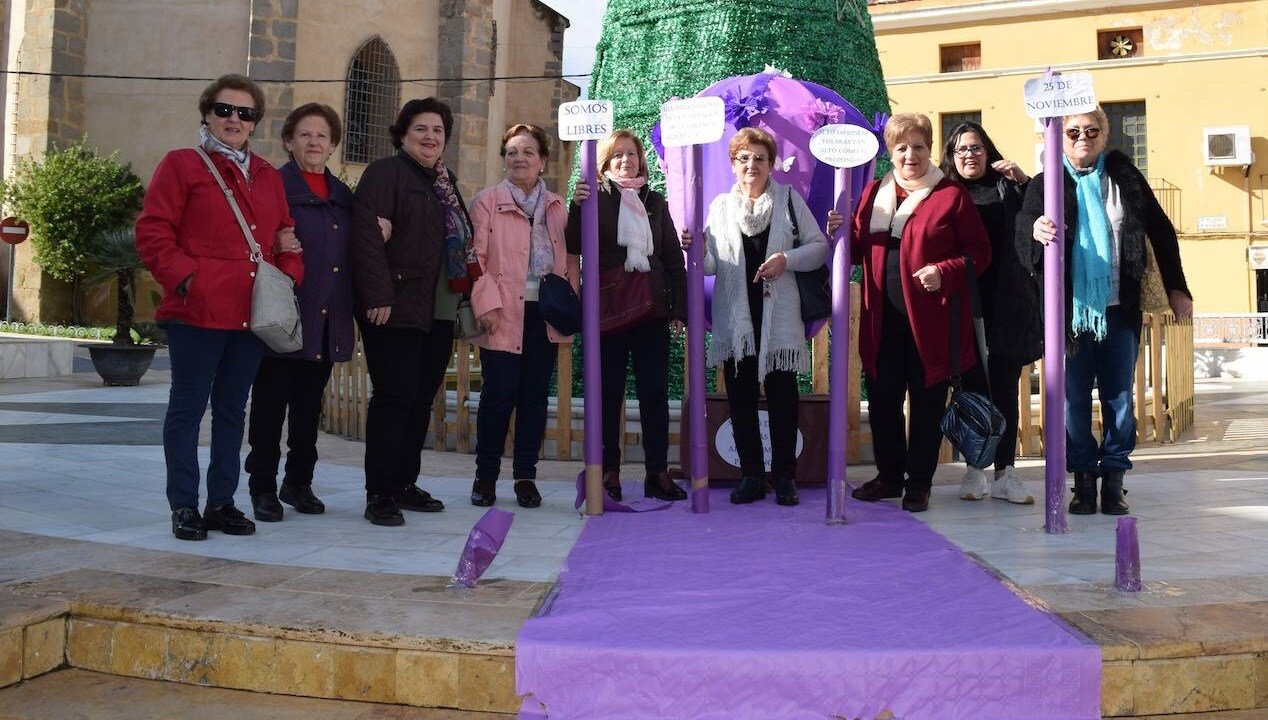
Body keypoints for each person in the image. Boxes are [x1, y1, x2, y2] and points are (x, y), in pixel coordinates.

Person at [136, 74, 304, 540]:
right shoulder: (183, 164)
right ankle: (184, 505)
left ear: (255, 123)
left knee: (233, 410)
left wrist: (289, 271)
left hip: (251, 314)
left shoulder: (269, 176)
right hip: (197, 311)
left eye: (245, 113)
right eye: (225, 110)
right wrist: (188, 279)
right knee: (187, 410)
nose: (234, 119)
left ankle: (222, 501)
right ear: (207, 113)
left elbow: (285, 236)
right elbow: (153, 231)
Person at [1020, 106, 1192, 515]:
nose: (1083, 138)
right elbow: (1023, 224)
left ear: (1104, 135)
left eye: (1092, 131)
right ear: (1060, 137)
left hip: (1118, 308)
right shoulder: (1047, 183)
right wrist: (1034, 228)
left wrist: (1177, 288)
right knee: (1073, 399)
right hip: (1070, 314)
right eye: (1074, 131)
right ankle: (1082, 479)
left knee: (1118, 398)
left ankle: (1114, 477)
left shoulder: (1126, 179)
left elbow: (1162, 231)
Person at [848, 113, 991, 513]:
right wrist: (839, 230)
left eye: (919, 146)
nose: (910, 155)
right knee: (882, 402)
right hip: (882, 321)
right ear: (890, 152)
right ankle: (889, 477)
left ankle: (919, 483)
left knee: (926, 407)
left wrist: (944, 271)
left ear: (930, 149)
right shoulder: (873, 192)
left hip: (932, 323)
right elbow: (857, 250)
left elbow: (980, 252)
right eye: (902, 147)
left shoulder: (950, 195)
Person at [350, 97, 479, 526]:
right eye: (421, 129)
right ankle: (380, 492)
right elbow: (367, 239)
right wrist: (377, 296)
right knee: (394, 398)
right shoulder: (385, 174)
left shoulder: (444, 180)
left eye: (438, 130)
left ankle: (404, 483)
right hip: (396, 306)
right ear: (403, 134)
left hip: (438, 309)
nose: (430, 137)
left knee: (420, 400)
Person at [688, 127, 828, 507]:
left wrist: (788, 259)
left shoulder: (788, 200)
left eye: (760, 158)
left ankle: (785, 477)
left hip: (780, 317)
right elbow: (712, 266)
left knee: (784, 397)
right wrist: (697, 250)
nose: (752, 165)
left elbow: (819, 247)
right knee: (741, 399)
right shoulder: (719, 206)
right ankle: (751, 475)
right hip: (737, 322)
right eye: (744, 158)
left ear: (771, 164)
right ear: (733, 164)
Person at [244, 103, 355, 522]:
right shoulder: (272, 184)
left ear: (332, 146)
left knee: (309, 409)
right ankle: (262, 487)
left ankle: (298, 483)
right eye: (305, 134)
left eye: (322, 136)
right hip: (282, 317)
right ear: (289, 141)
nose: (314, 142)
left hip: (326, 320)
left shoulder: (343, 196)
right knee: (270, 408)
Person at [568, 130, 688, 502]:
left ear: (641, 160)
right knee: (607, 393)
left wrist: (679, 309)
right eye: (617, 155)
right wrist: (575, 206)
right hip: (608, 309)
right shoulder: (593, 197)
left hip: (651, 308)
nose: (625, 160)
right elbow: (573, 244)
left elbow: (671, 257)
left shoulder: (655, 201)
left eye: (632, 154)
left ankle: (657, 472)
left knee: (654, 392)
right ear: (605, 162)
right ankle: (608, 471)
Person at [467, 124, 576, 508]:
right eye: (512, 151)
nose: (519, 158)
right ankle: (486, 476)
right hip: (501, 311)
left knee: (533, 399)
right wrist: (486, 304)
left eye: (528, 152)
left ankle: (525, 477)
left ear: (542, 161)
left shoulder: (558, 206)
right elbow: (475, 260)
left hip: (544, 315)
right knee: (497, 397)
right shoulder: (487, 201)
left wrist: (572, 306)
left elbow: (571, 262)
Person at [939, 121, 1041, 505]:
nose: (970, 155)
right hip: (963, 306)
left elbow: (1041, 215)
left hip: (1007, 303)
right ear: (951, 155)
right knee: (970, 390)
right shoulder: (944, 193)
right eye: (962, 149)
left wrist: (1023, 180)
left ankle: (1006, 473)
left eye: (977, 148)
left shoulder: (1008, 188)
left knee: (1004, 391)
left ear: (989, 152)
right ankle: (973, 471)